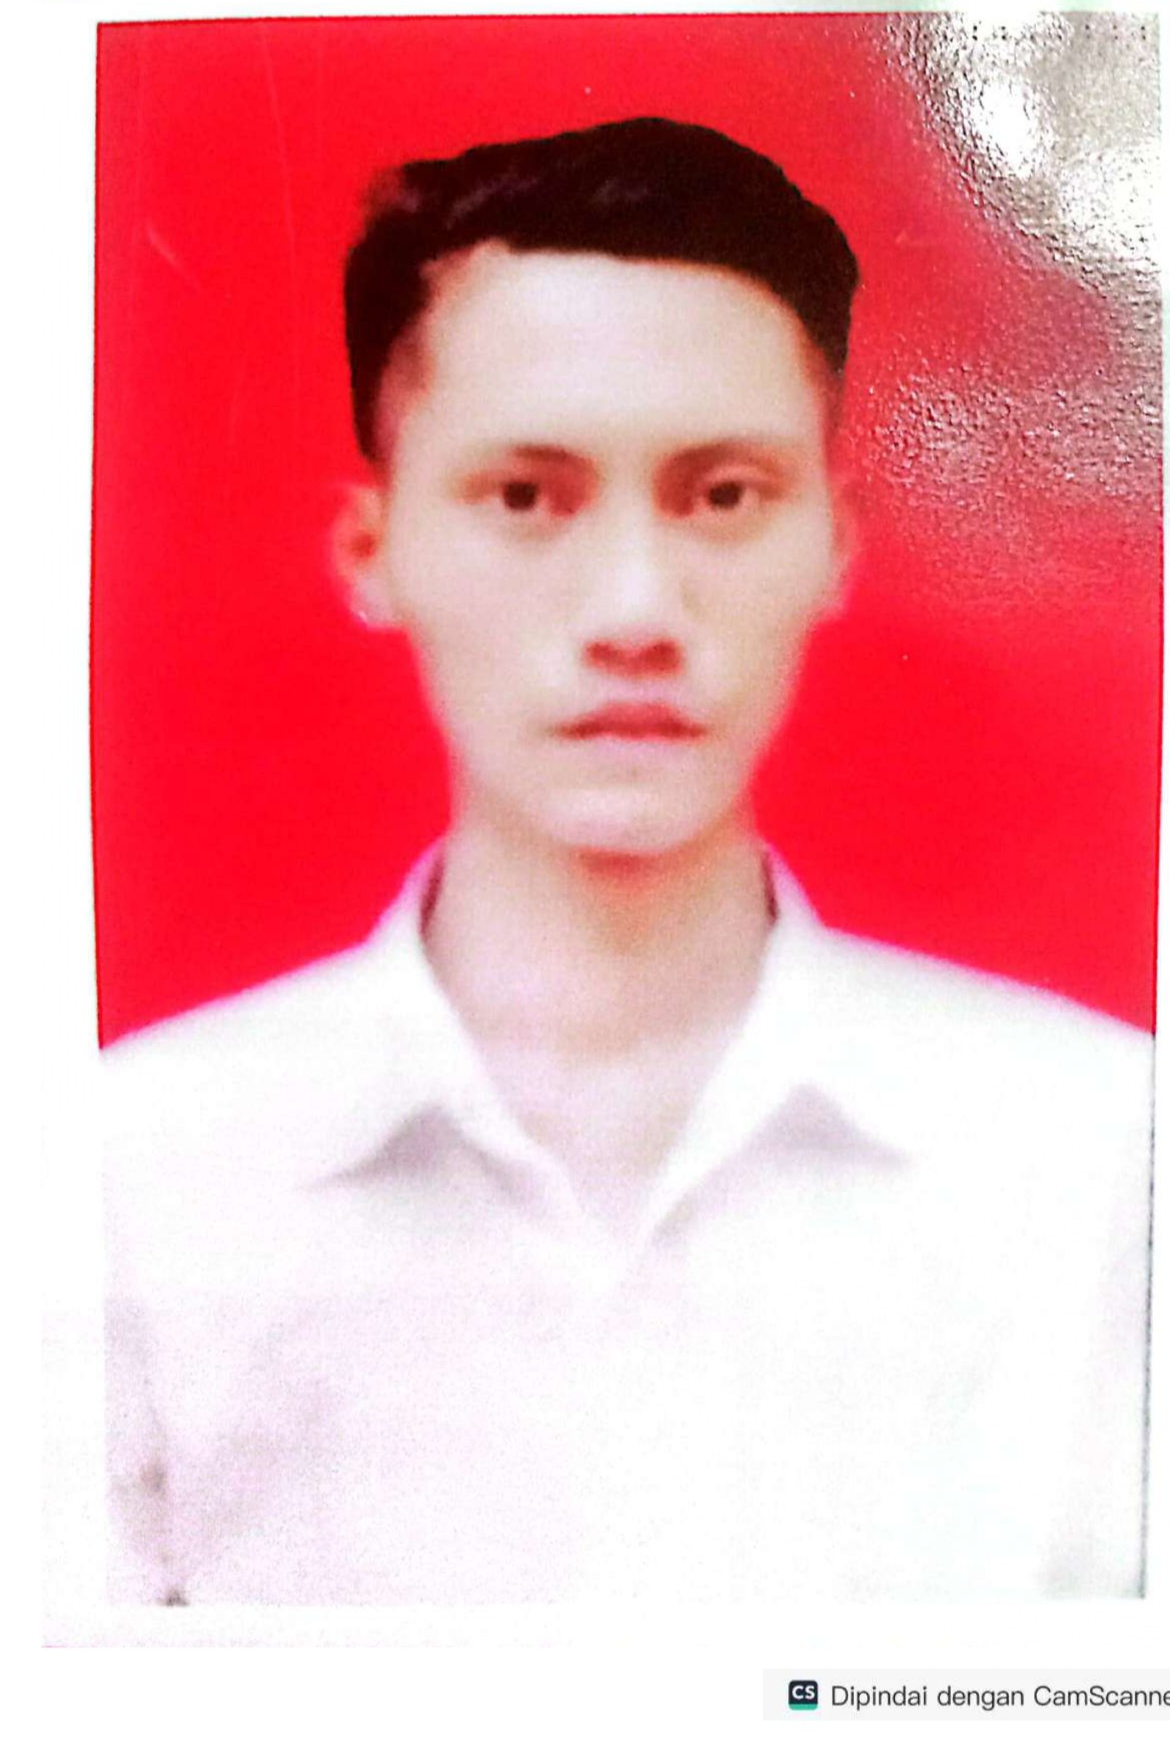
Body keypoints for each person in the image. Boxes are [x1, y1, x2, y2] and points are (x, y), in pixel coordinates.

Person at [104, 118, 1153, 1604]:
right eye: (524, 497)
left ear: (837, 543)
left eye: (722, 496)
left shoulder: (1100, 1154)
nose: (634, 612)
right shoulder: (124, 1177)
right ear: (372, 551)